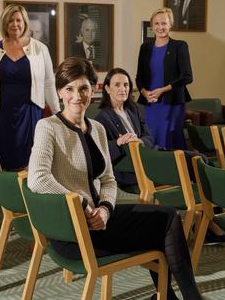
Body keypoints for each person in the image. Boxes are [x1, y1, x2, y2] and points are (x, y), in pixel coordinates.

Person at [28, 57, 203, 300]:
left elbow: (109, 180)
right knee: (164, 226)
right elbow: (36, 178)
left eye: (83, 88)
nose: (76, 96)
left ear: (93, 90)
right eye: (69, 88)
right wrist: (82, 203)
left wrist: (105, 210)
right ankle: (184, 297)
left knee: (166, 217)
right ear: (59, 91)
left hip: (100, 220)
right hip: (72, 233)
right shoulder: (47, 127)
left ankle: (170, 297)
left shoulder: (97, 129)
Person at [95, 68, 225, 244]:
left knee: (200, 160)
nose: (123, 89)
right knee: (196, 165)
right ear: (107, 88)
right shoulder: (101, 118)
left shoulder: (133, 109)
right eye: (117, 85)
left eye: (126, 85)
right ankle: (209, 223)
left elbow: (149, 136)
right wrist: (120, 143)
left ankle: (206, 220)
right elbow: (102, 153)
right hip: (134, 171)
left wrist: (139, 142)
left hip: (153, 155)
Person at [0, 4, 59, 170]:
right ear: (4, 24)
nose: (15, 24)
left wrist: (58, 113)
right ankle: (3, 193)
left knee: (31, 159)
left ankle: (29, 194)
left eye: (18, 20)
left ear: (25, 22)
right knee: (1, 160)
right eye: (10, 21)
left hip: (30, 113)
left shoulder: (41, 49)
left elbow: (49, 83)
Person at [136, 7, 193, 150]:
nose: (160, 27)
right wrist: (144, 92)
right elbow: (139, 77)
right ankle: (152, 171)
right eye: (156, 24)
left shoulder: (179, 46)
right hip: (151, 104)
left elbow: (187, 77)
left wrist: (163, 90)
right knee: (151, 139)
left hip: (171, 103)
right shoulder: (145, 47)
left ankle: (176, 170)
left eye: (164, 23)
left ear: (170, 25)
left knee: (169, 140)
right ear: (152, 25)